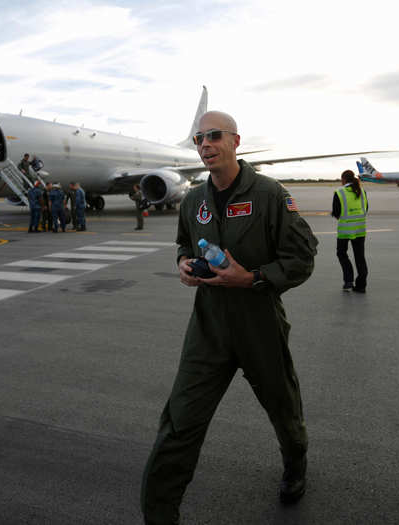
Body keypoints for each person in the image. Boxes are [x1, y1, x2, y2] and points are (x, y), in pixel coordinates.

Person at [141, 111, 318, 524]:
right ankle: (159, 513)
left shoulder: (269, 195)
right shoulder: (193, 201)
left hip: (259, 321)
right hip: (209, 325)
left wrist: (253, 277)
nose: (205, 145)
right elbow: (184, 243)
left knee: (282, 406)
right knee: (179, 420)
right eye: (200, 138)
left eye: (214, 136)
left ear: (235, 141)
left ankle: (296, 464)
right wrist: (185, 263)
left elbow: (302, 258)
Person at [332, 169, 369, 292]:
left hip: (345, 230)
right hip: (360, 229)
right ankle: (361, 285)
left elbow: (336, 212)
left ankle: (348, 280)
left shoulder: (339, 192)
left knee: (341, 254)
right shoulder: (362, 191)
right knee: (360, 257)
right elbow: (366, 209)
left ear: (343, 179)